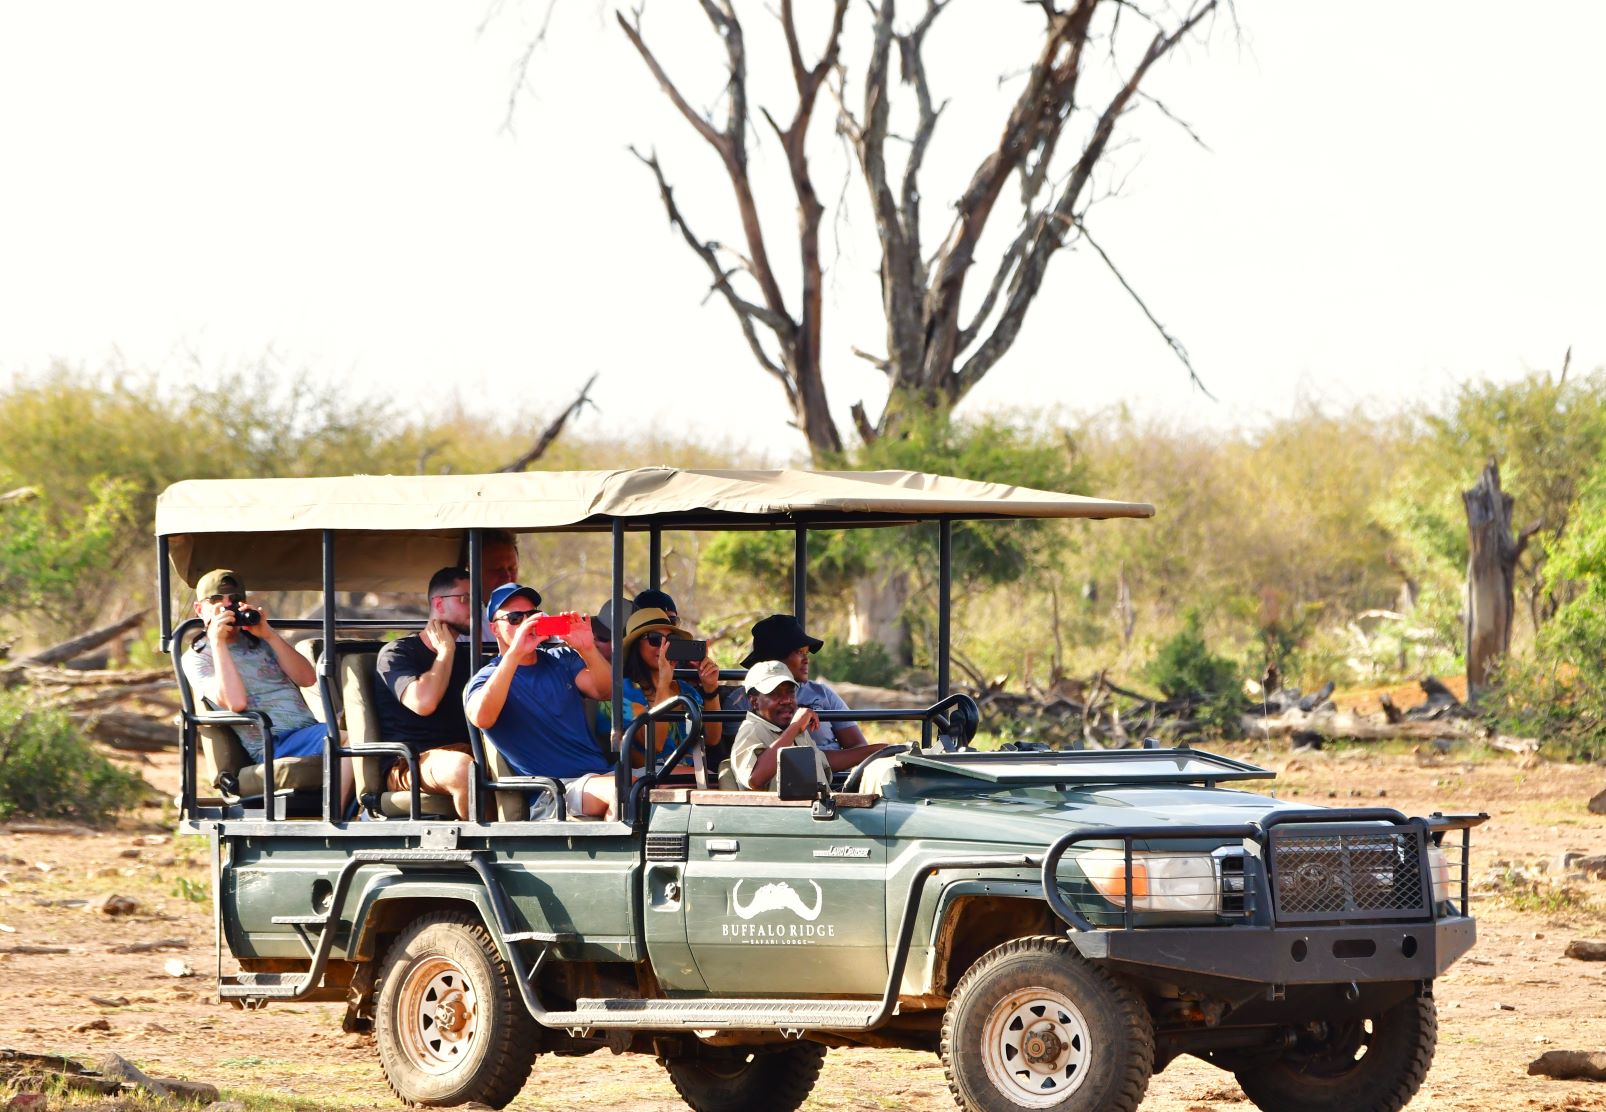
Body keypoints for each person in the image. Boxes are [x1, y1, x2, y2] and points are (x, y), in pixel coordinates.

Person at [181, 569, 352, 808]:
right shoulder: (199, 657)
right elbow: (236, 703)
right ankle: (340, 817)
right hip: (273, 743)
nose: (227, 607)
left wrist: (269, 634)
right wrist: (218, 641)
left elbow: (307, 678)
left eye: (234, 601)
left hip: (307, 732)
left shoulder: (259, 641)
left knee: (371, 726)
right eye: (217, 600)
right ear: (200, 609)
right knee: (353, 739)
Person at [464, 583, 616, 819]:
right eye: (515, 618)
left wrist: (588, 649)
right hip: (554, 793)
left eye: (532, 615)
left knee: (675, 780)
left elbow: (605, 691)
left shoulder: (561, 660)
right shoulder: (487, 678)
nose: (527, 623)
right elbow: (481, 717)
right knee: (627, 789)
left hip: (601, 778)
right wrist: (515, 653)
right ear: (494, 629)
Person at [372, 567, 477, 819]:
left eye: (478, 600)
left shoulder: (470, 657)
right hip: (410, 761)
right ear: (439, 604)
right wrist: (445, 653)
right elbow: (423, 702)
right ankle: (489, 846)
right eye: (466, 599)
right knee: (462, 770)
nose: (475, 607)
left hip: (465, 751)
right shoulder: (396, 654)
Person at [731, 661, 883, 791]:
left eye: (790, 693)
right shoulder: (752, 730)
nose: (786, 700)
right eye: (775, 694)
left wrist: (878, 750)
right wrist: (795, 727)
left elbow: (821, 760)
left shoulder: (792, 731)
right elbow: (755, 779)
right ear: (754, 702)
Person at [740, 614, 875, 754]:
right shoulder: (745, 699)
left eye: (807, 653)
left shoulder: (822, 693)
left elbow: (856, 744)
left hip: (837, 774)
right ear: (774, 658)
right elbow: (753, 762)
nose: (806, 660)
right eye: (799, 652)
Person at [617, 607, 722, 768]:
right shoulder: (624, 691)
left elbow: (712, 738)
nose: (663, 646)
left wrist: (710, 688)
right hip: (648, 781)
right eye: (655, 639)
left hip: (692, 778)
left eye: (670, 639)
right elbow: (654, 744)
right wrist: (663, 683)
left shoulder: (685, 690)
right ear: (636, 645)